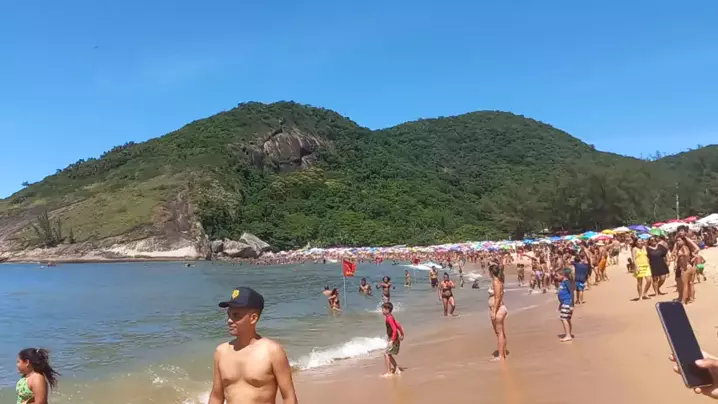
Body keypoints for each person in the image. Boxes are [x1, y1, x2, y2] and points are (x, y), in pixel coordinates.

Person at [209, 287, 298, 404]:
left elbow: (289, 397)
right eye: (229, 315)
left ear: (253, 318)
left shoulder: (272, 351)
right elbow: (216, 397)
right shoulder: (221, 352)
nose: (229, 320)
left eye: (236, 315)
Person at [488, 262, 508, 361]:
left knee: (499, 333)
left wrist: (494, 311)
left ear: (491, 272)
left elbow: (497, 297)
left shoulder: (496, 282)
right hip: (500, 308)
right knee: (501, 333)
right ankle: (503, 353)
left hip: (498, 309)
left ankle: (500, 356)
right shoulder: (499, 280)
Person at [382, 302, 405, 377]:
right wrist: (402, 334)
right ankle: (397, 369)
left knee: (386, 354)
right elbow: (398, 325)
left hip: (394, 339)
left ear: (387, 310)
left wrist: (391, 340)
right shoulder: (390, 316)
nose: (382, 311)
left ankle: (389, 372)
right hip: (394, 338)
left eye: (383, 309)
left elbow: (394, 329)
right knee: (389, 354)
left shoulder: (389, 318)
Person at [556, 269, 574, 342]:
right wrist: (561, 304)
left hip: (567, 303)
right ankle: (569, 334)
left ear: (563, 275)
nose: (556, 277)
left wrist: (572, 305)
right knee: (567, 319)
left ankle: (568, 335)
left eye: (557, 275)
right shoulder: (563, 282)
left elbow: (572, 293)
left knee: (564, 319)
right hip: (564, 303)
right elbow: (563, 293)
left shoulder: (567, 282)